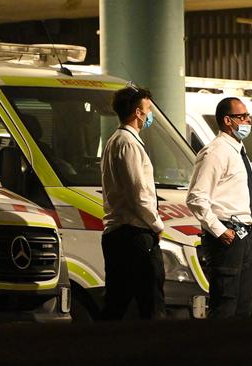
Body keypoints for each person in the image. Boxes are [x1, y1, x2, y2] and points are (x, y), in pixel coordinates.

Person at [186, 97, 252, 319]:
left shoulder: (239, 151)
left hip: (246, 234)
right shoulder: (216, 152)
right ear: (228, 120)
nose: (248, 121)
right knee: (225, 305)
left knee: (243, 305)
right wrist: (220, 230)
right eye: (242, 117)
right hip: (227, 236)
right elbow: (196, 197)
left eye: (248, 116)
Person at [100, 86, 165, 320]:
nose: (150, 114)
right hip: (134, 234)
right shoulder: (128, 143)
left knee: (117, 304)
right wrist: (157, 225)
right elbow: (139, 192)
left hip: (120, 234)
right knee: (151, 303)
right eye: (148, 109)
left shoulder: (115, 141)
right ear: (138, 112)